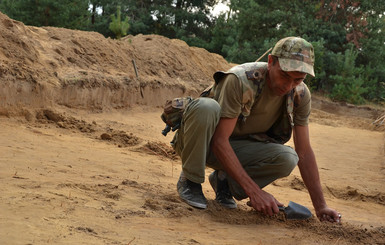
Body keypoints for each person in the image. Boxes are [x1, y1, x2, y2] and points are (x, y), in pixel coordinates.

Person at [171, 37, 341, 223]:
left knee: (288, 158)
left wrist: (321, 206)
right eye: (284, 75)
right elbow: (219, 141)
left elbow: (304, 152)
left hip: (234, 150)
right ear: (270, 62)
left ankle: (225, 183)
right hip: (198, 144)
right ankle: (190, 179)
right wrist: (255, 192)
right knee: (206, 107)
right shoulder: (240, 80)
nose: (288, 85)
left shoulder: (300, 94)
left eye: (297, 79)